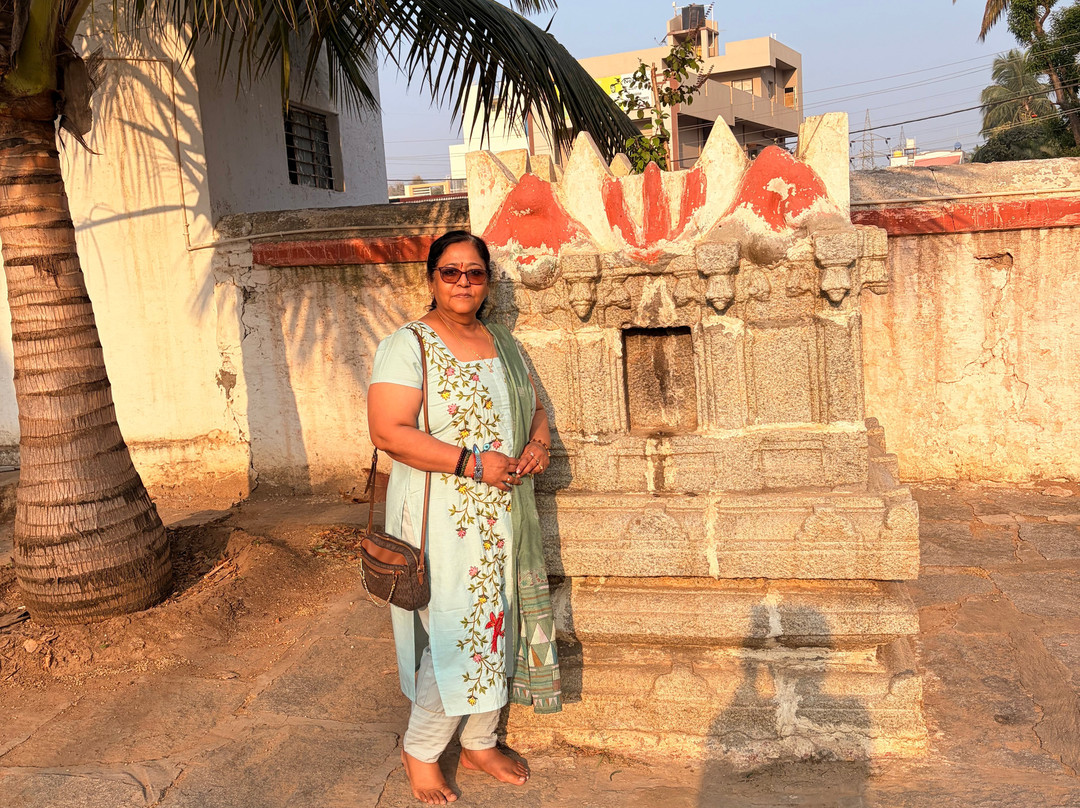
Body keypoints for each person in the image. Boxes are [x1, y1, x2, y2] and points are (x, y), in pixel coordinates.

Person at [367, 230, 561, 804]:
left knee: (500, 621)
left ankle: (479, 741)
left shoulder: (503, 341)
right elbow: (388, 432)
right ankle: (422, 749)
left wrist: (540, 446)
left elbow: (534, 410)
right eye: (450, 272)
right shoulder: (409, 344)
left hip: (506, 515)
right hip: (442, 518)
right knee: (459, 629)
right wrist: (474, 465)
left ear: (487, 281)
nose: (462, 283)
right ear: (431, 279)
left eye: (474, 273)